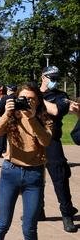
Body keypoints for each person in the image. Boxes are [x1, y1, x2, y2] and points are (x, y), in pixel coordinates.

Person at [0, 84, 53, 239]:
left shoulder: (44, 118)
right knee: (3, 223)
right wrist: (6, 113)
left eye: (32, 99)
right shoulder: (12, 116)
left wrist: (32, 118)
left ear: (38, 101)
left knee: (30, 227)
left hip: (34, 175)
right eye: (24, 98)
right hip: (10, 172)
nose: (28, 102)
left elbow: (46, 141)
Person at [39, 66, 77, 232]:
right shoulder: (30, 92)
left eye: (56, 78)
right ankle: (37, 210)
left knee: (60, 176)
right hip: (32, 142)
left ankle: (66, 213)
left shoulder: (61, 96)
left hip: (51, 140)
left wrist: (36, 98)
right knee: (33, 177)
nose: (54, 80)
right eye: (51, 77)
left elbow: (55, 110)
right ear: (43, 77)